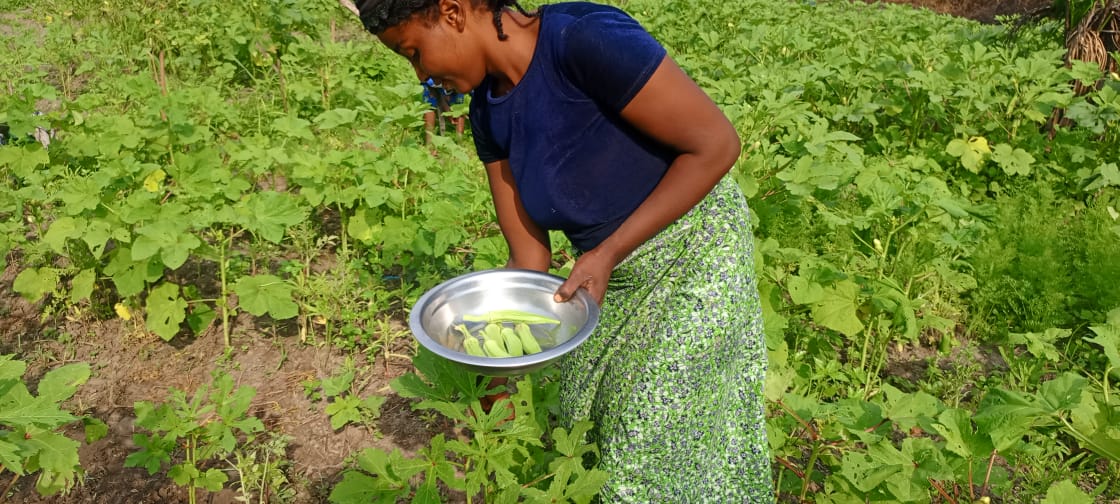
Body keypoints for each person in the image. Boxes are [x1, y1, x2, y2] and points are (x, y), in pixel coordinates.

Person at [355, 0, 772, 501]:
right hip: (608, 273)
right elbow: (530, 259)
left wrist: (610, 249)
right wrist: (492, 375)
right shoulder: (489, 114)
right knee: (586, 423)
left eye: (414, 53)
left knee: (648, 435)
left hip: (696, 252)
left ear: (452, 12)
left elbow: (716, 144)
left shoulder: (582, 39)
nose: (420, 74)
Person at [422, 77, 466, 143]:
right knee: (430, 106)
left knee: (430, 106)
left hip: (433, 76)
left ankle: (459, 141)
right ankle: (429, 143)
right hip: (451, 77)